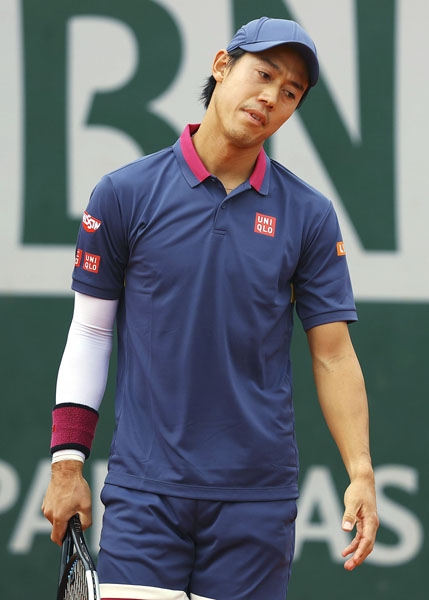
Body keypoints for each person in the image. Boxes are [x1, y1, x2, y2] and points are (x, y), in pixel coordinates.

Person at [42, 16, 379, 600]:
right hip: (145, 493)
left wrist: (361, 470)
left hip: (257, 503)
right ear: (222, 66)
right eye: (263, 74)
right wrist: (67, 463)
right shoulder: (124, 194)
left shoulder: (310, 215)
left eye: (291, 92)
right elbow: (90, 333)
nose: (271, 97)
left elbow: (333, 355)